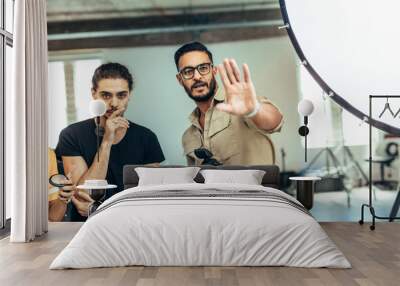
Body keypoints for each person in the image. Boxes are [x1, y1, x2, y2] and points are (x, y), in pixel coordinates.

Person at [55, 63, 165, 220]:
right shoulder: (71, 135)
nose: (114, 103)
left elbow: (149, 197)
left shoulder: (147, 138)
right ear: (94, 94)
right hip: (84, 227)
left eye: (121, 95)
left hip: (132, 224)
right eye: (106, 95)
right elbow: (83, 194)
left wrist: (101, 210)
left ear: (129, 95)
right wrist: (106, 140)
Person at [174, 42, 284, 165]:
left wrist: (254, 110)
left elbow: (275, 121)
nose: (197, 76)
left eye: (203, 68)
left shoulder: (241, 105)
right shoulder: (188, 137)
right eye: (188, 71)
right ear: (180, 79)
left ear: (214, 71)